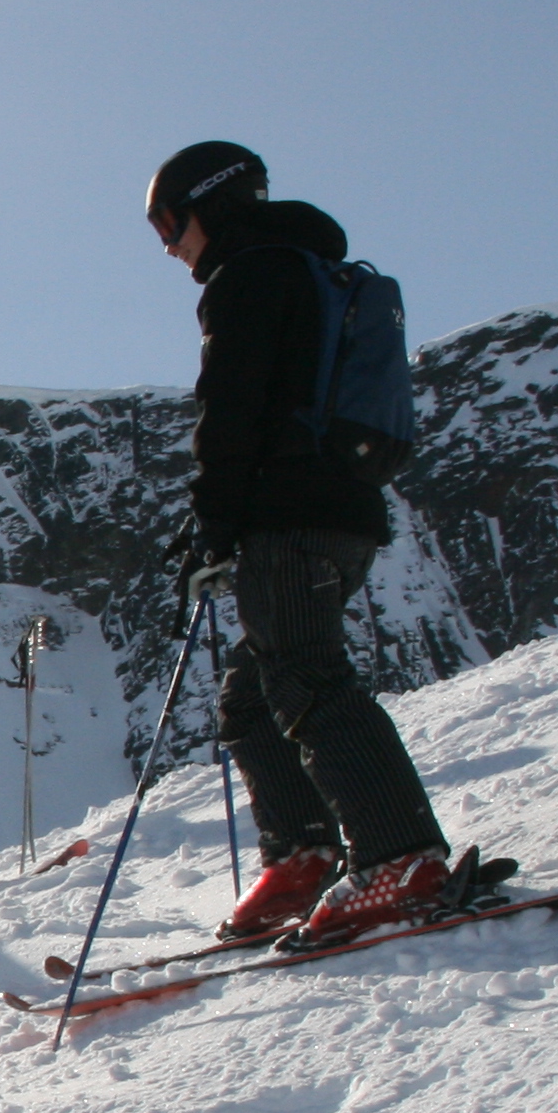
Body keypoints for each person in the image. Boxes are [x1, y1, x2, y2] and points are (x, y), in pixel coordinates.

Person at [146, 139, 458, 944]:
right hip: (343, 509)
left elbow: (233, 406)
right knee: (250, 697)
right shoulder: (316, 274)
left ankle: (398, 857)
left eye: (170, 224)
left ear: (208, 206)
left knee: (304, 677)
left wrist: (214, 520)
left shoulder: (250, 275)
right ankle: (303, 860)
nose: (171, 248)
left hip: (289, 513)